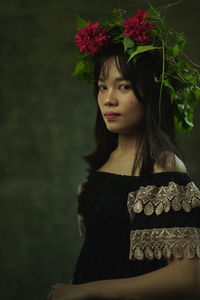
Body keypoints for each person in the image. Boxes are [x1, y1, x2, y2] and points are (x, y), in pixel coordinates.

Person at [48, 4, 200, 300]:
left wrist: (88, 291)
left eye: (124, 86)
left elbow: (186, 278)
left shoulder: (164, 169)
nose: (109, 99)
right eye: (102, 87)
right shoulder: (104, 161)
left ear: (150, 92)